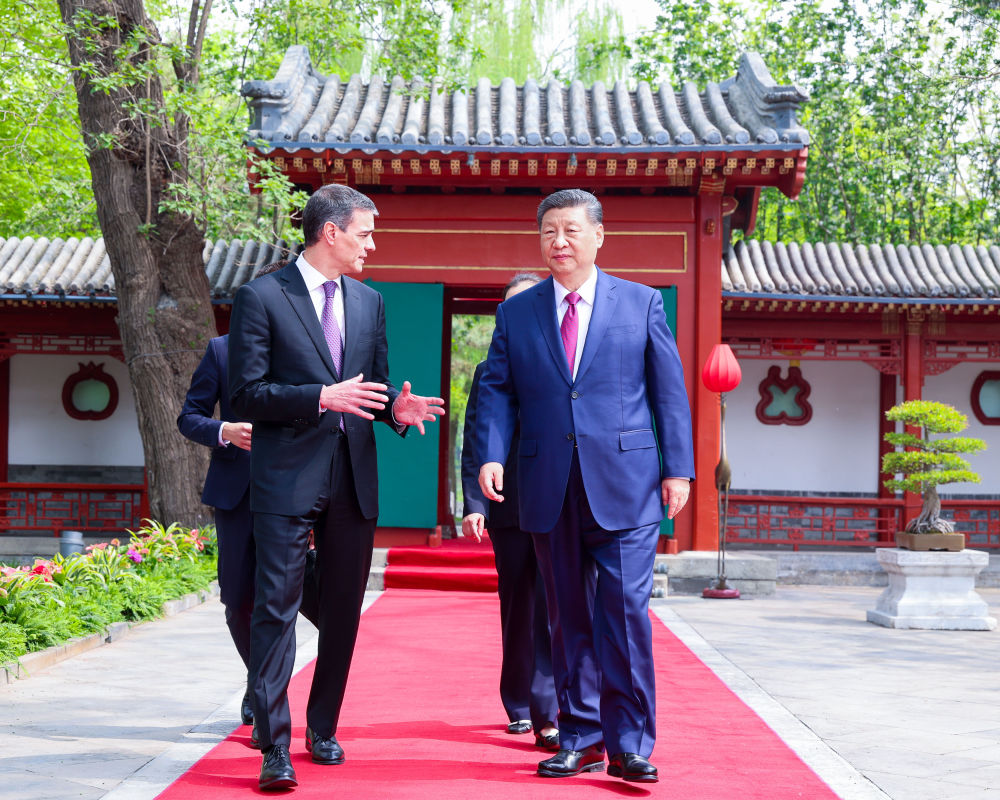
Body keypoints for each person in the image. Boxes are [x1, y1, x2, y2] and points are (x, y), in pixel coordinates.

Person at [228, 184, 445, 791]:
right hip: (285, 479)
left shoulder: (371, 302)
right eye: (365, 233)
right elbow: (245, 395)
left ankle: (322, 727)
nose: (371, 245)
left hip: (353, 478)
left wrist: (395, 410)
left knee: (344, 613)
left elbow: (373, 388)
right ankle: (274, 744)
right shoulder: (261, 297)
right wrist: (319, 397)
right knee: (275, 612)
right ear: (331, 232)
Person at [476, 189, 695, 784]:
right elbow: (497, 390)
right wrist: (491, 454)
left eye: (571, 230)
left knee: (624, 614)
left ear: (599, 235)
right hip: (548, 484)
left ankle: (630, 744)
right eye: (549, 231)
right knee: (566, 616)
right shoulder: (518, 313)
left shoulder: (641, 302)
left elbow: (668, 392)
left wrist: (678, 468)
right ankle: (580, 737)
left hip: (627, 485)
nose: (559, 242)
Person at [176, 263, 320, 736]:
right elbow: (189, 416)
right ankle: (259, 680)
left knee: (279, 601)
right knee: (238, 599)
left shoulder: (313, 354)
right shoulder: (221, 350)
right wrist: (224, 430)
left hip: (296, 493)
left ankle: (266, 697)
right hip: (237, 495)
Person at [460, 272, 559, 751]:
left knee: (554, 604)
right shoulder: (487, 371)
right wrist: (473, 503)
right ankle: (518, 702)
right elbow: (474, 439)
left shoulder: (562, 360)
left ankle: (550, 707)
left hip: (556, 502)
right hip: (507, 504)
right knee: (518, 605)